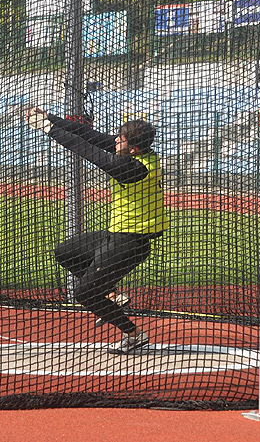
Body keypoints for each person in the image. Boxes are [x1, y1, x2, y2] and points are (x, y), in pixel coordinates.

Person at [26, 107, 169, 353]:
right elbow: (88, 135)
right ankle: (112, 295)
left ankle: (133, 334)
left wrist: (47, 128)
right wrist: (50, 117)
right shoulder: (137, 154)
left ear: (132, 148)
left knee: (85, 293)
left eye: (120, 139)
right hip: (116, 234)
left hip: (130, 243)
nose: (115, 140)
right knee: (65, 253)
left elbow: (85, 149)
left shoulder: (133, 169)